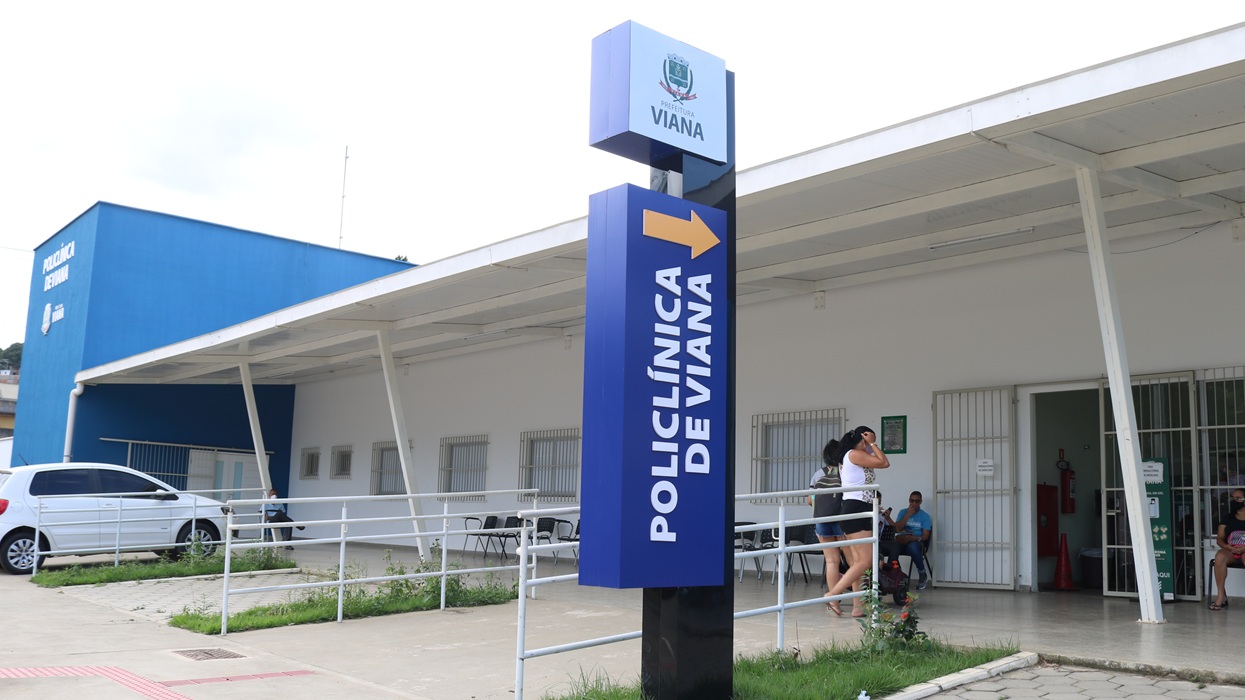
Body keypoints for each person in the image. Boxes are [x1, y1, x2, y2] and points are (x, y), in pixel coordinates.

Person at [823, 425, 890, 618]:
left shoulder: (855, 455)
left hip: (861, 509)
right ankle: (833, 594)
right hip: (856, 508)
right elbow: (884, 462)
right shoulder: (853, 454)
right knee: (865, 561)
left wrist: (872, 443)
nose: (869, 446)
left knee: (858, 561)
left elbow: (877, 459)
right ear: (861, 440)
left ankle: (857, 606)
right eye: (866, 442)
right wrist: (874, 443)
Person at [809, 439, 846, 597]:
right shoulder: (846, 472)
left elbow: (810, 500)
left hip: (822, 520)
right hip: (841, 521)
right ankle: (857, 602)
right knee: (853, 562)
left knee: (831, 562)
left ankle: (833, 600)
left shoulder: (819, 474)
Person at [885, 490, 932, 590]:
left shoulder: (925, 516)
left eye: (917, 501)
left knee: (912, 546)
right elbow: (898, 529)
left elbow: (926, 535)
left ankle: (922, 573)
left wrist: (917, 538)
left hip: (916, 542)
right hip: (902, 540)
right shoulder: (903, 512)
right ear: (909, 501)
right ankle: (894, 576)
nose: (914, 503)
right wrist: (908, 514)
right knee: (893, 547)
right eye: (912, 501)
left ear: (921, 502)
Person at [1211, 488, 1245, 610]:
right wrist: (1227, 547)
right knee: (1219, 556)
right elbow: (1220, 538)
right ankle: (1221, 596)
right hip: (1231, 551)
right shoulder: (1228, 518)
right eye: (1232, 498)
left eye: (1238, 498)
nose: (1234, 500)